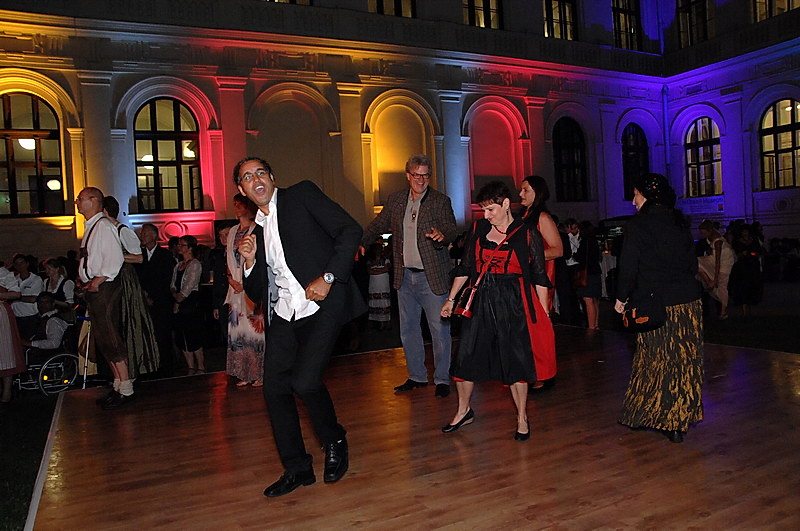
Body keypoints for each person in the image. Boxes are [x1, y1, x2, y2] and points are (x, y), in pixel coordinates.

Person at [236, 156, 366, 498]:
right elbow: (256, 291)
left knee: (306, 382)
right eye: (247, 177)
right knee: (274, 390)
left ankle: (335, 439)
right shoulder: (255, 232)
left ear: (271, 177)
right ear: (242, 190)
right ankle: (297, 468)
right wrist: (250, 262)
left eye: (260, 172)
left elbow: (350, 229)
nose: (256, 179)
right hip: (285, 314)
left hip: (321, 306)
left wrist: (328, 277)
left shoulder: (300, 195)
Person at [440, 181, 553, 441]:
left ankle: (522, 417)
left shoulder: (527, 234)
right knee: (465, 357)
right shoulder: (479, 230)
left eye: (490, 209)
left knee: (516, 361)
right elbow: (466, 268)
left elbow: (539, 276)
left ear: (506, 204)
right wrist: (450, 299)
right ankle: (463, 411)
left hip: (513, 303)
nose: (486, 215)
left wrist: (543, 313)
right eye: (483, 210)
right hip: (480, 300)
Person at [614, 173, 703, 444]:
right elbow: (692, 264)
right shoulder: (680, 222)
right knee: (683, 362)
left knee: (654, 360)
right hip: (688, 304)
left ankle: (653, 415)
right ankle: (676, 421)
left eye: (635, 194)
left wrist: (620, 298)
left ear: (647, 196)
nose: (633, 201)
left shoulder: (638, 225)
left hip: (656, 305)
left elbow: (628, 266)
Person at [360, 154, 458, 398]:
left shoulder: (440, 201)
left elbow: (451, 228)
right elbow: (379, 223)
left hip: (431, 277)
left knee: (439, 331)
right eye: (416, 175)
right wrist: (362, 241)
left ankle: (442, 379)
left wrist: (442, 235)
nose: (421, 180)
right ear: (408, 176)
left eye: (425, 175)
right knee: (409, 330)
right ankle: (417, 376)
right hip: (404, 277)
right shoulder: (396, 200)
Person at [75, 187, 135, 409]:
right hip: (96, 287)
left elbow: (114, 259)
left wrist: (97, 281)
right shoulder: (93, 226)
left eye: (80, 199)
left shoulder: (104, 226)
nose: (77, 202)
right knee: (103, 338)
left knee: (110, 336)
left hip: (105, 287)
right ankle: (118, 384)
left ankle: (126, 388)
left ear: (94, 200)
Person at [103, 196, 159, 378]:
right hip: (115, 279)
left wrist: (115, 256)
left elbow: (139, 257)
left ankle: (133, 368)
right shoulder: (108, 231)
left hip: (125, 280)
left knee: (128, 322)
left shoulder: (122, 231)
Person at [518, 175, 562, 390]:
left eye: (525, 190)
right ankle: (530, 370)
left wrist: (530, 255)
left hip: (538, 281)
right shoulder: (523, 216)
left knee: (540, 326)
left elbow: (558, 250)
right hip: (524, 279)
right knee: (525, 328)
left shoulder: (542, 217)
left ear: (537, 192)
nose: (520, 194)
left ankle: (545, 373)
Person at [224, 194, 265, 387]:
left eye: (240, 204)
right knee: (238, 332)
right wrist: (231, 279)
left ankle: (260, 373)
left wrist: (244, 281)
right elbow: (228, 259)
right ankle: (244, 373)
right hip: (235, 287)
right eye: (235, 204)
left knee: (255, 332)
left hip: (251, 285)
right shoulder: (233, 231)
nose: (236, 207)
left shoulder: (257, 229)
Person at [137, 223, 178, 376]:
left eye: (145, 234)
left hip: (161, 302)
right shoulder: (139, 256)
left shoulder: (165, 256)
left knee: (162, 334)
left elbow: (166, 279)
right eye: (142, 234)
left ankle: (166, 367)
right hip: (144, 300)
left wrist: (153, 296)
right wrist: (143, 294)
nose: (142, 237)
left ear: (154, 236)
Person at [171, 235, 204, 374]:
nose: (179, 247)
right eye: (179, 245)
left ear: (190, 248)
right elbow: (173, 284)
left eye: (182, 245)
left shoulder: (195, 264)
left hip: (190, 304)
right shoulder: (178, 265)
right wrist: (175, 295)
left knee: (193, 335)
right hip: (179, 302)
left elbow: (189, 286)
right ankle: (190, 366)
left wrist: (178, 300)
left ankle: (200, 367)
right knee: (181, 335)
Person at [697, 219, 735, 319]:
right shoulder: (710, 238)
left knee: (722, 285)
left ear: (709, 230)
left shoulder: (718, 241)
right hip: (714, 258)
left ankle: (723, 311)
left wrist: (716, 278)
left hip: (725, 261)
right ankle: (709, 281)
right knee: (696, 262)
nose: (702, 235)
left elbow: (718, 261)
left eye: (704, 233)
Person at [0, 266, 25, 403]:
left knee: (5, 353)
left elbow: (16, 294)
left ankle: (7, 392)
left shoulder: (2, 272)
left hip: (0, 313)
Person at [729, 224, 763, 317]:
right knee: (743, 287)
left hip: (753, 267)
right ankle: (744, 309)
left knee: (752, 287)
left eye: (746, 231)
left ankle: (750, 308)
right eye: (743, 232)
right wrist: (741, 254)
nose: (745, 233)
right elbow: (733, 254)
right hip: (742, 268)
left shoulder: (754, 240)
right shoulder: (737, 242)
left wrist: (752, 254)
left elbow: (759, 252)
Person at [573, 220, 602, 330]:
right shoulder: (594, 241)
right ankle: (595, 325)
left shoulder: (585, 241)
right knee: (594, 300)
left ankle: (591, 327)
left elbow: (581, 256)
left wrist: (575, 254)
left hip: (587, 273)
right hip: (595, 272)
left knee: (588, 300)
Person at [10, 254, 44, 340]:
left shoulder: (36, 279)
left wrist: (16, 297)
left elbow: (34, 299)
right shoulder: (13, 280)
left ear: (27, 264)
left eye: (21, 263)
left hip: (31, 318)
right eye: (17, 264)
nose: (20, 266)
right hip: (16, 318)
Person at [365, 242, 391, 330]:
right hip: (374, 284)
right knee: (375, 302)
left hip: (383, 284)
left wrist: (376, 270)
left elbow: (387, 268)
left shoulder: (385, 259)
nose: (378, 251)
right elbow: (369, 271)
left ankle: (386, 322)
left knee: (384, 302)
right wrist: (380, 270)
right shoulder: (370, 260)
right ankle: (377, 322)